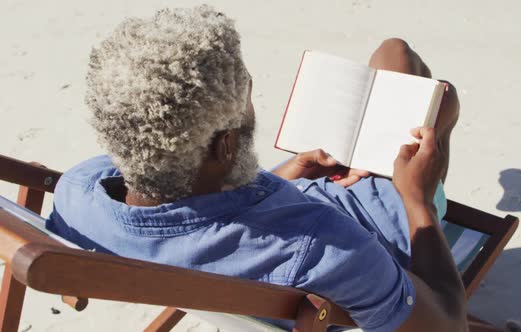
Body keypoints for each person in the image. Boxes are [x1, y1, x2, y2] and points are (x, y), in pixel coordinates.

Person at [47, 5, 464, 332]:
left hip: (293, 212)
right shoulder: (325, 248)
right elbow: (446, 326)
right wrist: (418, 199)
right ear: (225, 146)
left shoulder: (78, 192)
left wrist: (284, 177)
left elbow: (202, 227)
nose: (252, 108)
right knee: (427, 84)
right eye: (246, 100)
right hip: (384, 216)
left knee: (397, 60)